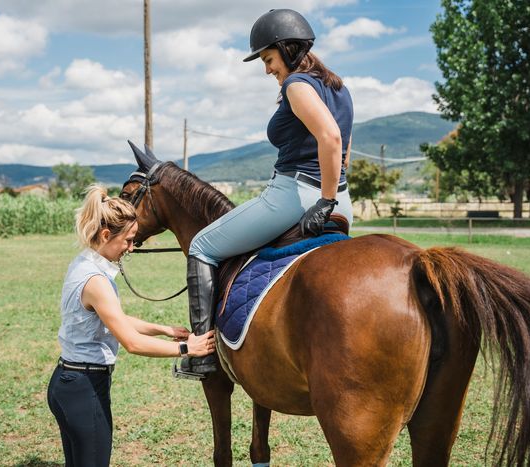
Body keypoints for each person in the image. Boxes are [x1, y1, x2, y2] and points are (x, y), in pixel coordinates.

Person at [179, 8, 354, 378]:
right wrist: (334, 197)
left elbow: (331, 138)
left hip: (295, 198)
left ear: (288, 50)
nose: (267, 69)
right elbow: (345, 149)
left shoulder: (297, 85)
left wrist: (323, 202)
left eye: (269, 59)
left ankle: (203, 355)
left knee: (202, 246)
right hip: (343, 202)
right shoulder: (340, 88)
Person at [47, 184, 215, 466]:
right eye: (128, 240)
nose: (131, 248)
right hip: (83, 387)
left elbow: (115, 319)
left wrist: (164, 329)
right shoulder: (96, 281)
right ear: (105, 235)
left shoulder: (84, 263)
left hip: (69, 382)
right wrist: (188, 347)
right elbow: (132, 343)